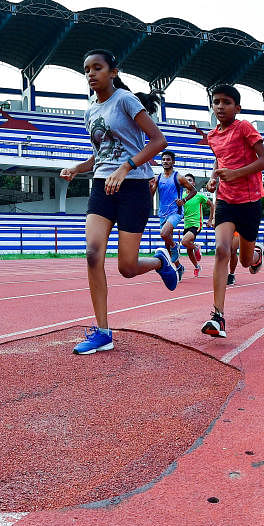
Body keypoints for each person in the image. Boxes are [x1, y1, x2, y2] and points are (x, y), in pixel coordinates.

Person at [59, 49, 178, 355]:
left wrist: (126, 167)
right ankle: (102, 332)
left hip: (133, 188)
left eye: (97, 68)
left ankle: (160, 261)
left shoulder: (125, 100)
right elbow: (101, 156)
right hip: (102, 187)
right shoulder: (90, 111)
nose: (91, 74)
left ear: (112, 71)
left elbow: (158, 140)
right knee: (92, 254)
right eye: (86, 69)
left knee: (126, 267)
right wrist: (76, 168)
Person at [201, 84, 264, 338]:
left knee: (244, 261)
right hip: (226, 201)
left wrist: (234, 174)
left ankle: (255, 255)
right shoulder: (211, 136)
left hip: (250, 202)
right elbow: (219, 161)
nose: (220, 106)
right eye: (216, 101)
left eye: (226, 102)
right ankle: (217, 315)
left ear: (237, 107)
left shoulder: (244, 128)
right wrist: (215, 179)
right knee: (221, 249)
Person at [149, 150, 196, 276]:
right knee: (166, 243)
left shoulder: (178, 177)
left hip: (175, 212)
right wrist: (150, 187)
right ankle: (179, 267)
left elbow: (193, 191)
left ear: (173, 162)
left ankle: (175, 246)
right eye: (163, 159)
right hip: (162, 213)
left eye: (168, 159)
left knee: (164, 234)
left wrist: (184, 200)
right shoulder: (158, 177)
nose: (165, 161)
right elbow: (151, 195)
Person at [179, 174, 212, 278]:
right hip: (186, 224)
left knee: (184, 242)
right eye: (186, 180)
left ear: (193, 183)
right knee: (189, 250)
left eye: (190, 180)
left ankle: (197, 247)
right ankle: (197, 266)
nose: (187, 182)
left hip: (196, 224)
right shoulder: (183, 196)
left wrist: (210, 220)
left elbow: (212, 205)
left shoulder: (199, 195)